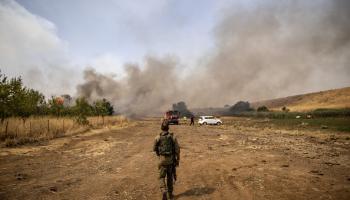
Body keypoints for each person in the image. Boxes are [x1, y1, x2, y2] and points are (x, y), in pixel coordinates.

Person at [153, 120, 180, 200]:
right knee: (170, 178)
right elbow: (177, 150)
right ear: (168, 128)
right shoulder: (173, 137)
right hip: (171, 161)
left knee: (161, 177)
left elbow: (154, 148)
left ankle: (164, 191)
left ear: (161, 128)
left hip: (162, 160)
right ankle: (170, 194)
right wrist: (177, 159)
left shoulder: (157, 137)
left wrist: (159, 155)